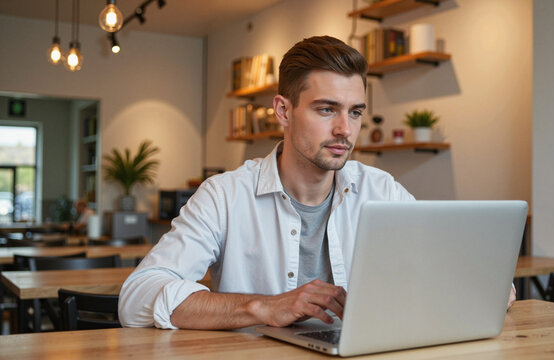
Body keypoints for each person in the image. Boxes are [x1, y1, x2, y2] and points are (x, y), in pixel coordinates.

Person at [119, 35, 516, 330]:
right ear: (283, 110)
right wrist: (261, 307)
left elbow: (476, 277)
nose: (345, 129)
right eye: (326, 110)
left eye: (356, 112)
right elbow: (137, 296)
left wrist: (490, 286)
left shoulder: (382, 191)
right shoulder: (224, 195)